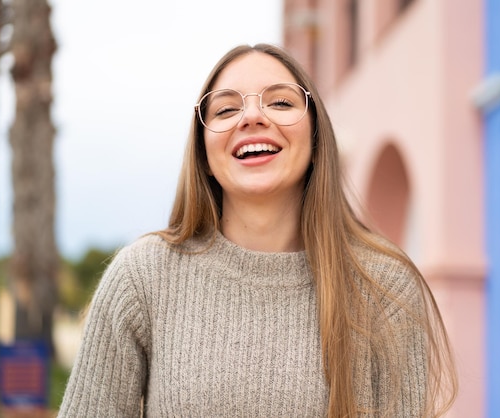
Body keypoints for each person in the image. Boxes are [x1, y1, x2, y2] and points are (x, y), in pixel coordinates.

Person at [58, 43, 457, 417]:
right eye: (226, 110)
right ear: (205, 155)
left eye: (281, 102)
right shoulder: (142, 278)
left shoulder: (382, 287)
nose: (252, 117)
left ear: (317, 139)